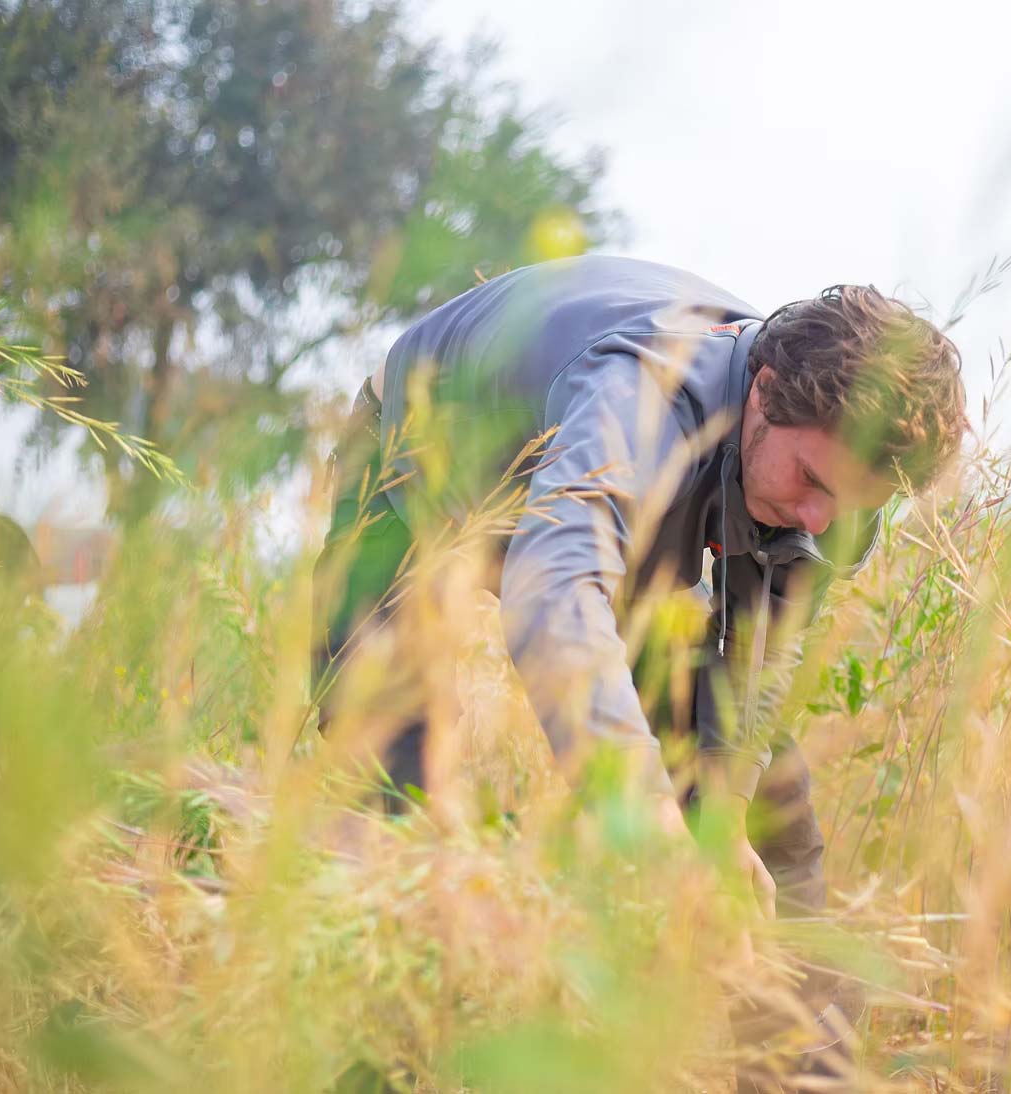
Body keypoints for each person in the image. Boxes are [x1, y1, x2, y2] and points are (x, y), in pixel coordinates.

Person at [311, 255, 967, 1092]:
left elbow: (763, 649)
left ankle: (798, 1080)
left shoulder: (830, 496)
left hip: (634, 519)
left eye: (848, 503)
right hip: (414, 471)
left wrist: (718, 816)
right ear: (762, 393)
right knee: (391, 798)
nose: (819, 519)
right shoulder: (642, 396)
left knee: (769, 821)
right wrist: (646, 810)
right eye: (810, 482)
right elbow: (553, 586)